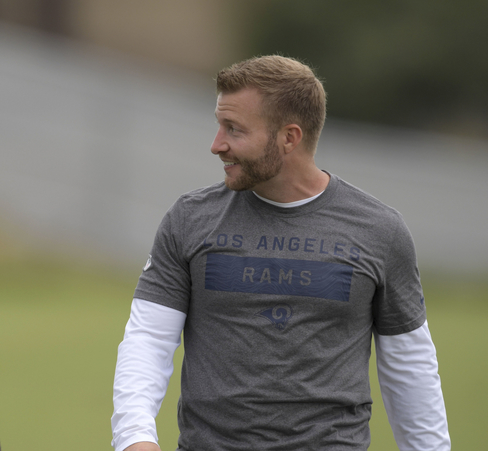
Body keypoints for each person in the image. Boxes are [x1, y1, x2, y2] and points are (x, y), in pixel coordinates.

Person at [111, 55, 450, 451]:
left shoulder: (380, 231)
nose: (216, 144)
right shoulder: (189, 219)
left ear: (289, 137)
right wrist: (134, 438)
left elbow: (410, 368)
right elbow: (147, 338)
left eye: (234, 130)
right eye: (219, 125)